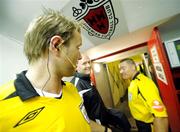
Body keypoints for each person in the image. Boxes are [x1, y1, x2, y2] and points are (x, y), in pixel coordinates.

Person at [0, 9, 91, 131]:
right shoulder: (3, 106)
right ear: (56, 45)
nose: (80, 56)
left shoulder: (72, 89)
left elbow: (85, 123)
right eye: (78, 47)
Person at [71, 54, 131, 132]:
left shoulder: (87, 80)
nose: (88, 65)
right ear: (75, 67)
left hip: (103, 117)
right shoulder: (76, 86)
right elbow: (81, 117)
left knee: (121, 117)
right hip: (97, 125)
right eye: (84, 63)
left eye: (89, 62)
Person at [119, 58, 168, 132]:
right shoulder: (133, 82)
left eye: (123, 68)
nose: (121, 71)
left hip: (148, 126)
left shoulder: (143, 83)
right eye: (120, 69)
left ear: (133, 67)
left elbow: (160, 115)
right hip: (140, 123)